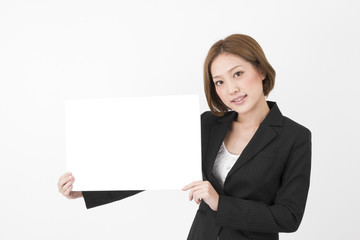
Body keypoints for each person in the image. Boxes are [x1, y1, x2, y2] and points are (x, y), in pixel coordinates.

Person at [58, 34, 312, 240]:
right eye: (219, 82)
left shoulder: (294, 137)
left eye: (238, 74)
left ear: (262, 71)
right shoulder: (208, 124)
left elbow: (288, 217)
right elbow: (155, 168)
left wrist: (219, 203)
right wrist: (87, 189)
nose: (231, 89)